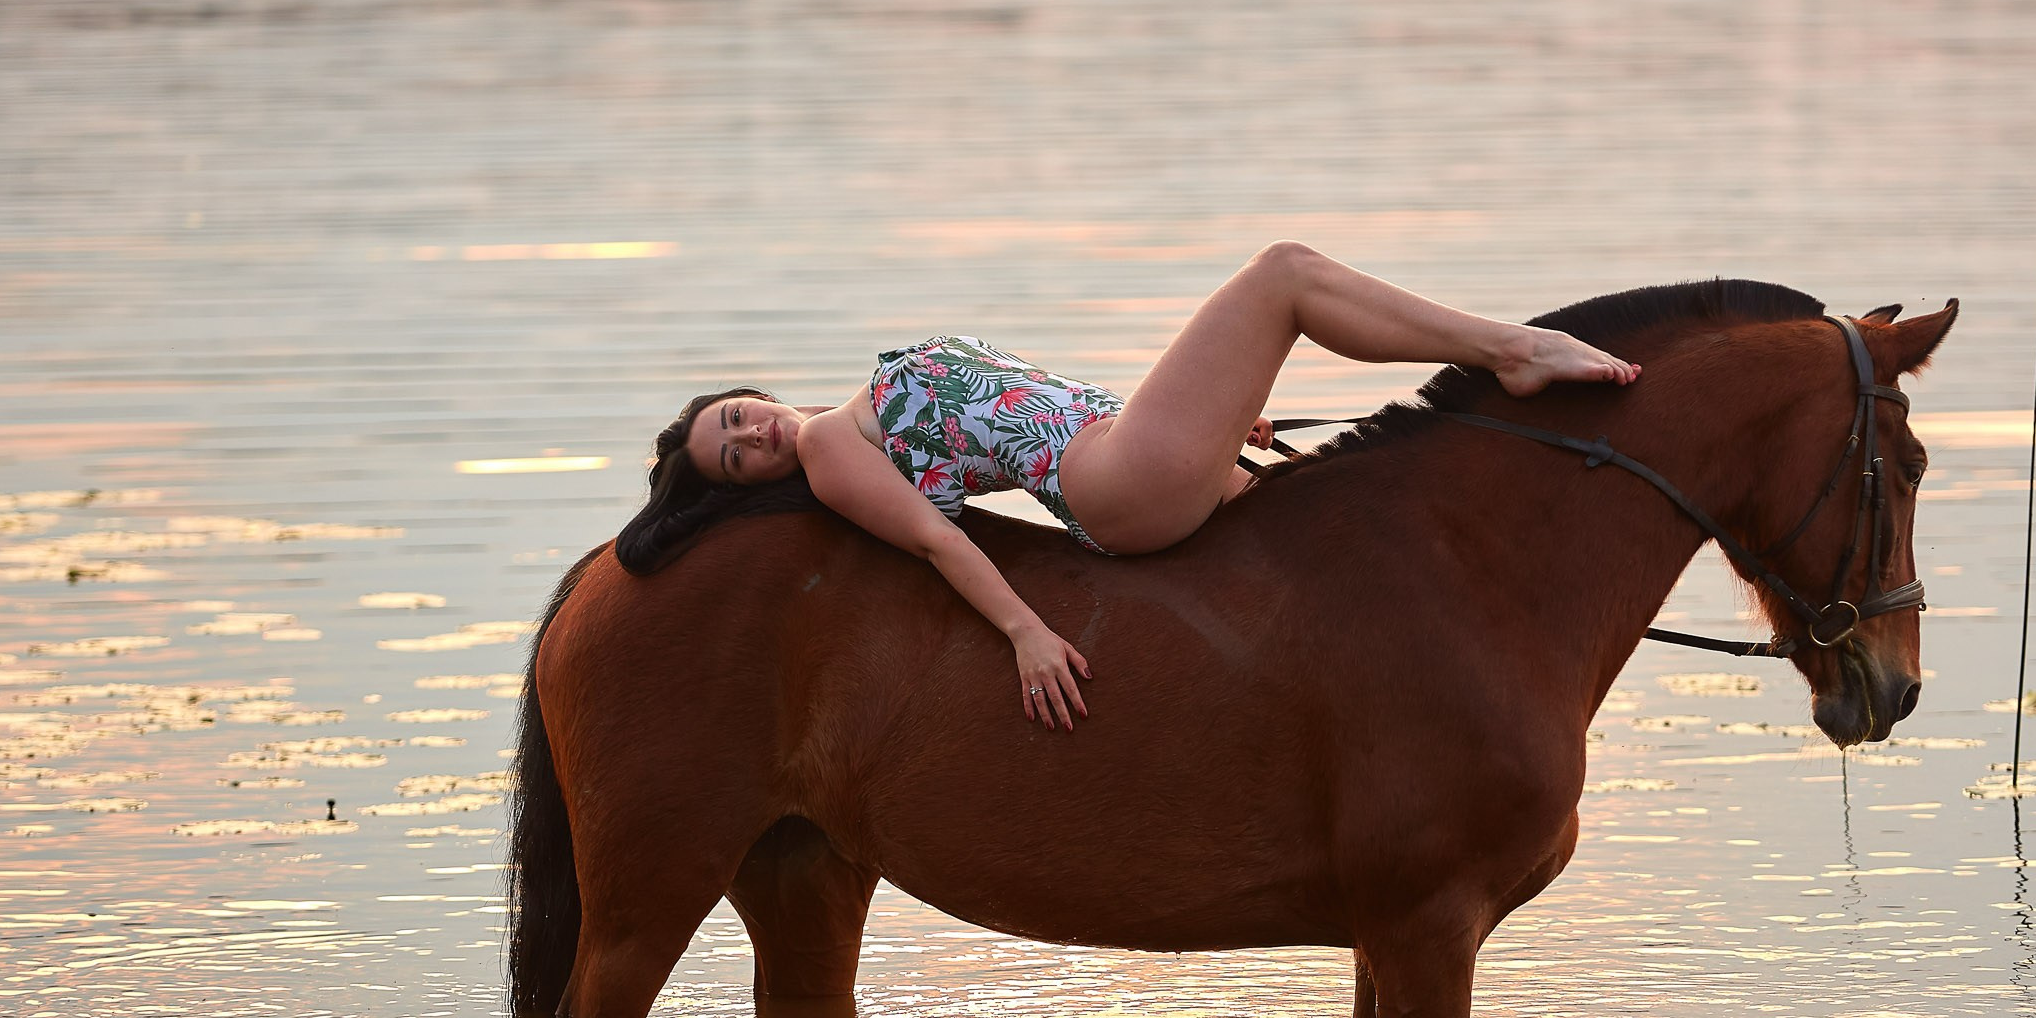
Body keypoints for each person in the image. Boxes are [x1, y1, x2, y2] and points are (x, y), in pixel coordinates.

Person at [616, 241, 1639, 731]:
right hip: (1116, 485)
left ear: (747, 392)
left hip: (1131, 455)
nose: (750, 436)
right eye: (735, 457)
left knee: (1356, 535)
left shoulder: (856, 407)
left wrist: (1219, 419)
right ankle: (1511, 350)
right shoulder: (839, 450)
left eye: (733, 417)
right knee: (1282, 273)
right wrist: (1022, 631)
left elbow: (1041, 401)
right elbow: (938, 541)